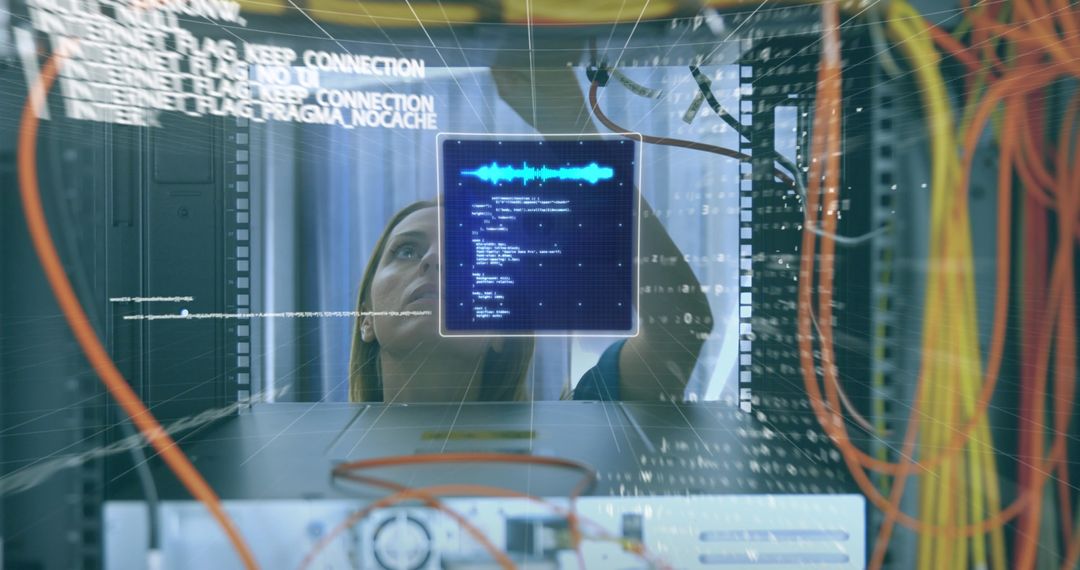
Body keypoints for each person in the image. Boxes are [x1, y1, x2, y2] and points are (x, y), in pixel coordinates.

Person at [348, 57, 714, 403]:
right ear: (366, 318)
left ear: (500, 332)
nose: (433, 259)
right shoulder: (300, 452)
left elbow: (680, 325)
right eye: (407, 250)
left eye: (463, 253)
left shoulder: (582, 425)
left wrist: (572, 127)